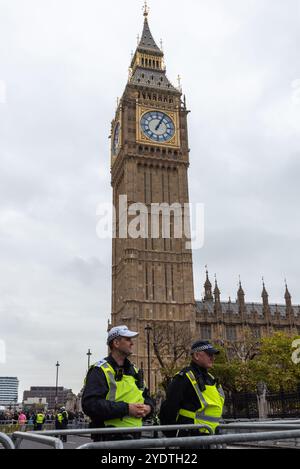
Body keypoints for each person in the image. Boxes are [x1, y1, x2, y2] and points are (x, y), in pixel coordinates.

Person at [82, 325, 154, 441]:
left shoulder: (135, 371)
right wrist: (127, 409)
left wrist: (148, 408)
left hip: (135, 438)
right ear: (116, 343)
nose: (132, 343)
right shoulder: (99, 370)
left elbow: (147, 397)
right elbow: (90, 405)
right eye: (127, 339)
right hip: (109, 438)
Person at [159, 340, 225, 438]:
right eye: (209, 354)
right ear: (197, 356)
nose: (212, 358)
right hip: (191, 437)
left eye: (213, 355)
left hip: (212, 436)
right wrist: (174, 435)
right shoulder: (184, 377)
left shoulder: (211, 378)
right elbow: (169, 409)